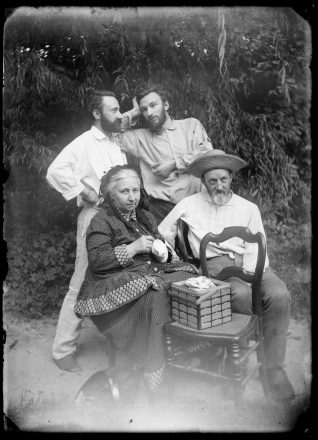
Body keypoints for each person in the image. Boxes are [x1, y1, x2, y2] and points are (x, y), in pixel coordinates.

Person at [158, 149, 295, 402]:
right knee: (240, 293)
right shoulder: (188, 204)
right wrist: (173, 259)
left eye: (223, 179)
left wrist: (250, 273)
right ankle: (236, 363)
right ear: (203, 182)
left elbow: (257, 244)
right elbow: (162, 233)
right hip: (215, 266)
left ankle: (273, 369)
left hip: (251, 262)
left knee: (279, 294)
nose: (218, 185)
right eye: (212, 181)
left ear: (231, 178)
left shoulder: (248, 208)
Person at [73, 165, 198, 393]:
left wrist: (164, 251)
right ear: (111, 194)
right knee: (158, 296)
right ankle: (154, 369)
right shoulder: (101, 221)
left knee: (187, 280)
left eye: (136, 190)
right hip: (113, 284)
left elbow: (164, 250)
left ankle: (186, 349)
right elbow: (98, 262)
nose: (132, 197)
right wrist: (132, 248)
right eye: (125, 192)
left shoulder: (145, 217)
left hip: (149, 273)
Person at [46, 90, 138, 372]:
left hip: (121, 219)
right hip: (95, 218)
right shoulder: (84, 143)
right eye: (112, 110)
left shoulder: (115, 142)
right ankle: (62, 350)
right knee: (82, 281)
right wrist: (84, 191)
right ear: (97, 114)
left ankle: (124, 345)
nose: (118, 114)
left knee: (123, 275)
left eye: (119, 109)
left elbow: (124, 121)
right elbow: (54, 171)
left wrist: (130, 115)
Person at [119, 84, 214, 223]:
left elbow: (207, 153)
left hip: (197, 203)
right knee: (163, 245)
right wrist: (134, 111)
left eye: (153, 105)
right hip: (161, 210)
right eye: (144, 109)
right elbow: (113, 132)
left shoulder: (191, 125)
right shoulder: (139, 137)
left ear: (166, 105)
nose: (149, 112)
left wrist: (174, 164)